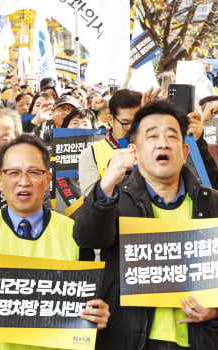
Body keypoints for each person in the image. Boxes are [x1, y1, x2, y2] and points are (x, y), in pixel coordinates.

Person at [73, 101, 218, 349]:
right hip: (131, 340)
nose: (163, 144)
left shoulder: (212, 203)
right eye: (152, 137)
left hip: (198, 341)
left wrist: (215, 311)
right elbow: (87, 237)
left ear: (184, 152)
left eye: (171, 136)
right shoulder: (115, 200)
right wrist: (107, 183)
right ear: (134, 152)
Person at [0, 135, 110, 349]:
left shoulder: (75, 233)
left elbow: (87, 303)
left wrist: (97, 313)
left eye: (34, 172)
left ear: (48, 179)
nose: (24, 181)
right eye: (13, 172)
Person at [78, 89, 142, 197]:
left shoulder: (154, 149)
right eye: (125, 123)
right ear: (111, 120)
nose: (132, 128)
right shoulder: (91, 154)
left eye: (137, 122)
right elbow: (91, 199)